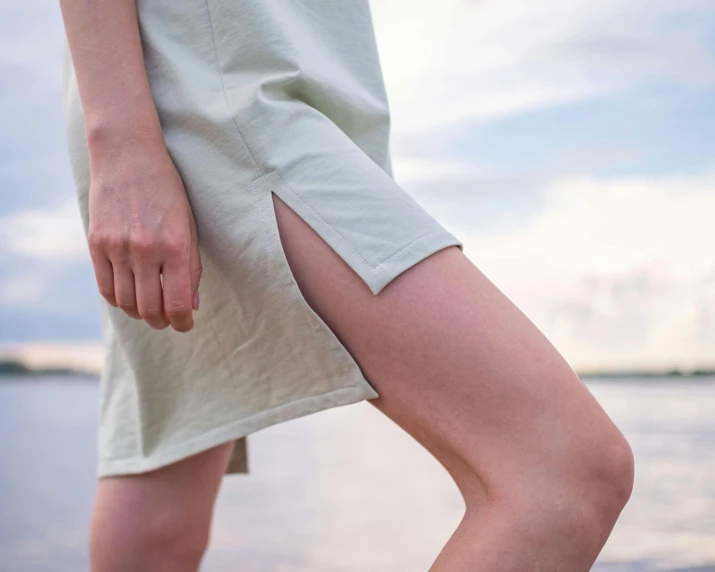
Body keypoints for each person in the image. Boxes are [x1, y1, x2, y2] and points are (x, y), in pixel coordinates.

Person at [59, 0, 634, 570]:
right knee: (561, 470)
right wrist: (123, 143)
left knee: (167, 483)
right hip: (215, 91)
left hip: (260, 85)